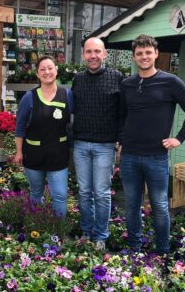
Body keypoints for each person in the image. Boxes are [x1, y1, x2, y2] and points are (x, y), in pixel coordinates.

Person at [118, 34, 185, 254]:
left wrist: (179, 138)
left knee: (160, 206)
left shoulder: (171, 81)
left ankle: (162, 250)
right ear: (134, 57)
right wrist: (121, 141)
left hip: (156, 156)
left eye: (148, 52)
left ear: (156, 53)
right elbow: (121, 115)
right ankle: (134, 247)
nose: (144, 57)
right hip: (129, 156)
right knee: (131, 205)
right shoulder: (127, 84)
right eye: (139, 53)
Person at [71, 37, 123, 250]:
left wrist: (121, 140)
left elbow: (123, 112)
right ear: (83, 54)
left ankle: (100, 236)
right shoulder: (78, 79)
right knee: (84, 192)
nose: (93, 56)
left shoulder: (117, 77)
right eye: (89, 52)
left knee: (101, 193)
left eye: (97, 51)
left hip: (105, 145)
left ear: (105, 54)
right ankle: (86, 231)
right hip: (81, 144)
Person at [14, 56, 74, 217]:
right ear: (37, 74)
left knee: (60, 196)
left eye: (50, 68)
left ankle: (58, 235)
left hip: (58, 154)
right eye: (43, 69)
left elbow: (77, 121)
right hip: (34, 154)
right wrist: (19, 152)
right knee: (36, 193)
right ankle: (36, 229)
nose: (47, 72)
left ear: (56, 70)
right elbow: (19, 127)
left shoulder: (67, 95)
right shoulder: (29, 97)